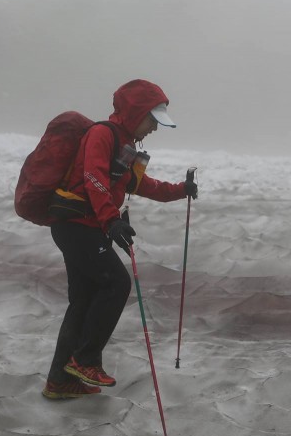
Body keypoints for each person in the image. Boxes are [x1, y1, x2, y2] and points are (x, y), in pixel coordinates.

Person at [42, 79, 197, 399]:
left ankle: (60, 381)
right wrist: (112, 221)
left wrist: (180, 191)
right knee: (116, 284)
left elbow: (140, 185)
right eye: (152, 120)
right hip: (76, 225)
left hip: (86, 226)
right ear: (135, 112)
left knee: (83, 301)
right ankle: (84, 360)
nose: (154, 128)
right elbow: (93, 178)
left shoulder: (124, 145)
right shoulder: (102, 135)